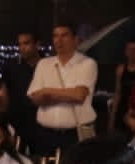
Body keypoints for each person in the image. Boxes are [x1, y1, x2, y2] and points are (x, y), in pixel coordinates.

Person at [28, 22, 97, 154]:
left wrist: (47, 91)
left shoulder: (87, 64)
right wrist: (66, 94)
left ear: (75, 39)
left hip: (74, 134)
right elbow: (35, 98)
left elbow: (79, 96)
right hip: (45, 134)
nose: (59, 41)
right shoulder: (44, 64)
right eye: (55, 36)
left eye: (64, 35)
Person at [3, 30, 44, 153]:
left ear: (37, 44)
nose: (22, 48)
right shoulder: (11, 66)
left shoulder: (47, 65)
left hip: (41, 123)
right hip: (17, 123)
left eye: (26, 43)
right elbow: (4, 94)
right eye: (19, 44)